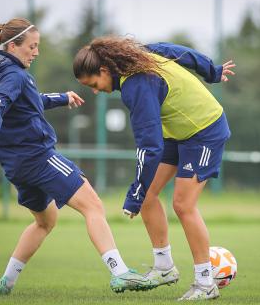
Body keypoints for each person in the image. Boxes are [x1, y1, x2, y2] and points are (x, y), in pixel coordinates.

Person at [0, 18, 156, 295]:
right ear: (13, 46)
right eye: (32, 47)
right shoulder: (14, 76)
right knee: (93, 206)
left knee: (45, 222)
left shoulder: (0, 71)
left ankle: (6, 282)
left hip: (15, 165)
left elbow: (28, 102)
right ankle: (120, 273)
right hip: (38, 157)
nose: (36, 52)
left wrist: (62, 97)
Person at [72, 36, 235, 301]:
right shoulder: (138, 54)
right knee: (148, 193)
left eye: (93, 84)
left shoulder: (136, 85)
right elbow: (179, 52)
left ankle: (205, 283)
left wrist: (133, 195)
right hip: (177, 131)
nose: (95, 90)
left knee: (182, 205)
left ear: (103, 70)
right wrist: (211, 70)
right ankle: (164, 268)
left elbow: (149, 147)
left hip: (205, 129)